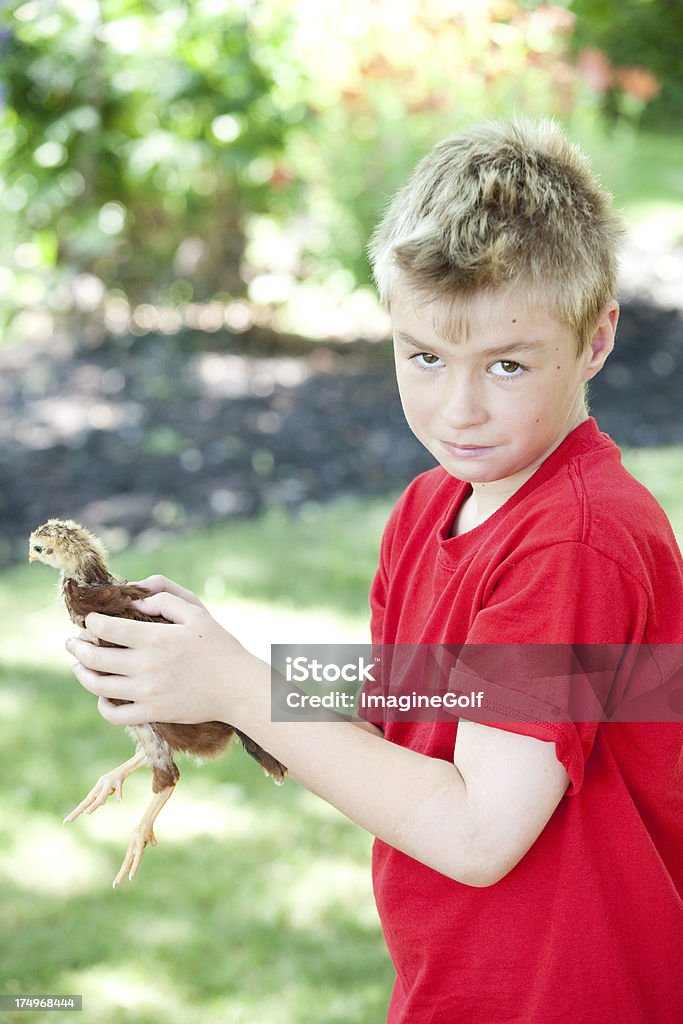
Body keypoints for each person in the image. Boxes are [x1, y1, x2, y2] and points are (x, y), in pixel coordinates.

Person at [66, 119, 683, 1023]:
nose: (458, 409)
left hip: (573, 994)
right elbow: (433, 696)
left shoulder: (573, 542)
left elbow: (478, 833)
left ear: (594, 341)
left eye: (506, 365)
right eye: (424, 356)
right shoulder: (432, 505)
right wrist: (223, 666)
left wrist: (239, 689)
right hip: (457, 985)